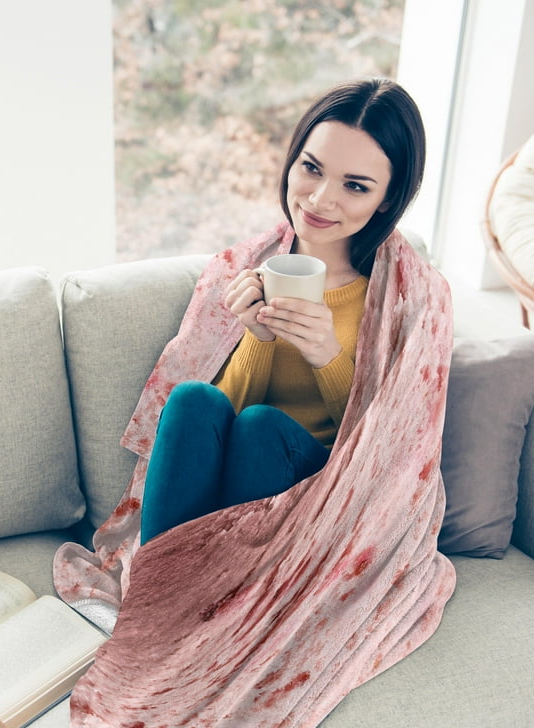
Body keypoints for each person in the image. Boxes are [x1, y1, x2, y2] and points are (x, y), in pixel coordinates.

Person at [139, 77, 426, 544]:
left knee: (263, 427)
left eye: (355, 186)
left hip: (326, 491)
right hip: (237, 482)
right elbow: (221, 421)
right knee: (194, 399)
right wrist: (259, 334)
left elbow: (387, 448)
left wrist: (328, 356)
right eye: (311, 168)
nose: (319, 199)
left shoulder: (400, 298)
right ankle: (160, 590)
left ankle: (231, 595)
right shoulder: (241, 270)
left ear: (387, 199)